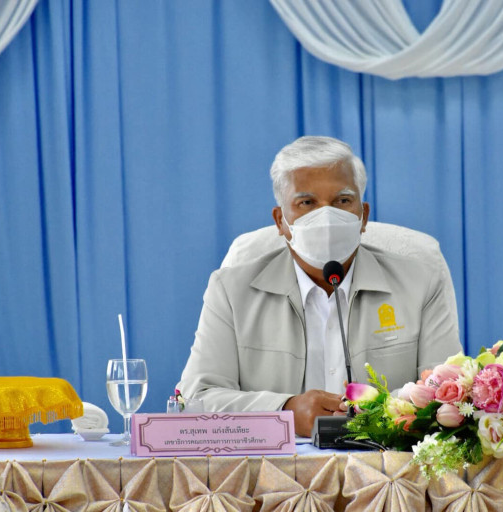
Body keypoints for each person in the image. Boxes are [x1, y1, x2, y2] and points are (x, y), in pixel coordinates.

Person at [177, 136, 462, 437]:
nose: (326, 216)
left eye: (342, 201)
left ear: (363, 216)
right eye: (307, 203)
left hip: (385, 461)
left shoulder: (420, 284)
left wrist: (377, 414)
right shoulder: (231, 292)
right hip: (274, 465)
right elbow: (194, 400)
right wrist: (284, 411)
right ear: (280, 221)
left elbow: (448, 398)